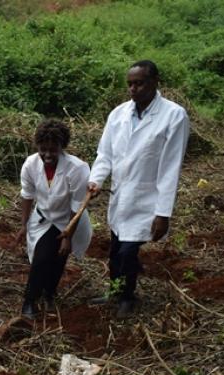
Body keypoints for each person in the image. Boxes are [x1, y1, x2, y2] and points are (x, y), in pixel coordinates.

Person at [88, 60, 190, 319]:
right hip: (121, 196)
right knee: (115, 249)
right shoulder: (118, 114)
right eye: (130, 84)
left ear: (155, 81)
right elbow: (105, 153)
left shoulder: (173, 115)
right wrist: (96, 180)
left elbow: (171, 167)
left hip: (148, 198)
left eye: (139, 83)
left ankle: (127, 296)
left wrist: (163, 212)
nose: (133, 89)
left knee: (127, 253)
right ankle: (114, 290)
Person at [16, 120, 92, 317]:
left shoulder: (77, 169)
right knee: (41, 258)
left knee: (59, 258)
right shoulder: (30, 165)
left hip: (70, 220)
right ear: (37, 146)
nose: (48, 155)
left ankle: (49, 293)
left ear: (62, 147)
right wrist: (23, 225)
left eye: (53, 150)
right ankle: (29, 300)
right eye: (43, 150)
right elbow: (27, 195)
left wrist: (67, 236)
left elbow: (77, 207)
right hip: (43, 218)